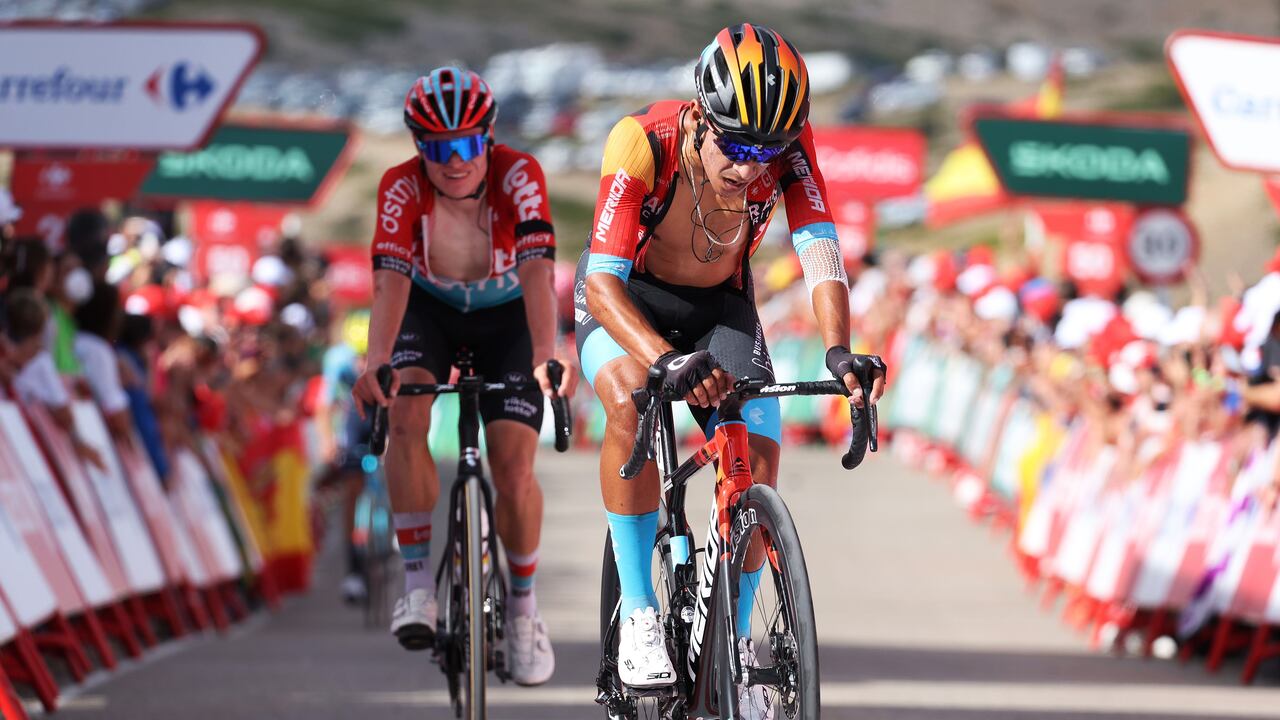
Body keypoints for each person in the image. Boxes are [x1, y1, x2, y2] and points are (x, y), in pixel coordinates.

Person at [577, 23, 887, 710]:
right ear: (699, 115)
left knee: (761, 456)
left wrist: (839, 349)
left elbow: (821, 250)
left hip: (720, 307)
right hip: (627, 300)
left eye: (766, 152)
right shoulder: (642, 139)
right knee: (630, 402)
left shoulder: (788, 153)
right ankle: (638, 613)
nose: (750, 169)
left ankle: (739, 644)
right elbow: (601, 284)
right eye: (737, 146)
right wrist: (664, 359)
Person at [351, 66, 576, 687]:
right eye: (436, 147)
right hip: (432, 310)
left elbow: (537, 270)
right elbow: (391, 279)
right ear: (418, 148)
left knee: (512, 466)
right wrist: (376, 359)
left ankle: (525, 610)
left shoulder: (518, 174)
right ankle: (419, 583)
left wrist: (543, 351)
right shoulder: (400, 187)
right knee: (405, 415)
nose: (454, 161)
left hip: (507, 317)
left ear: (489, 139)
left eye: (467, 145)